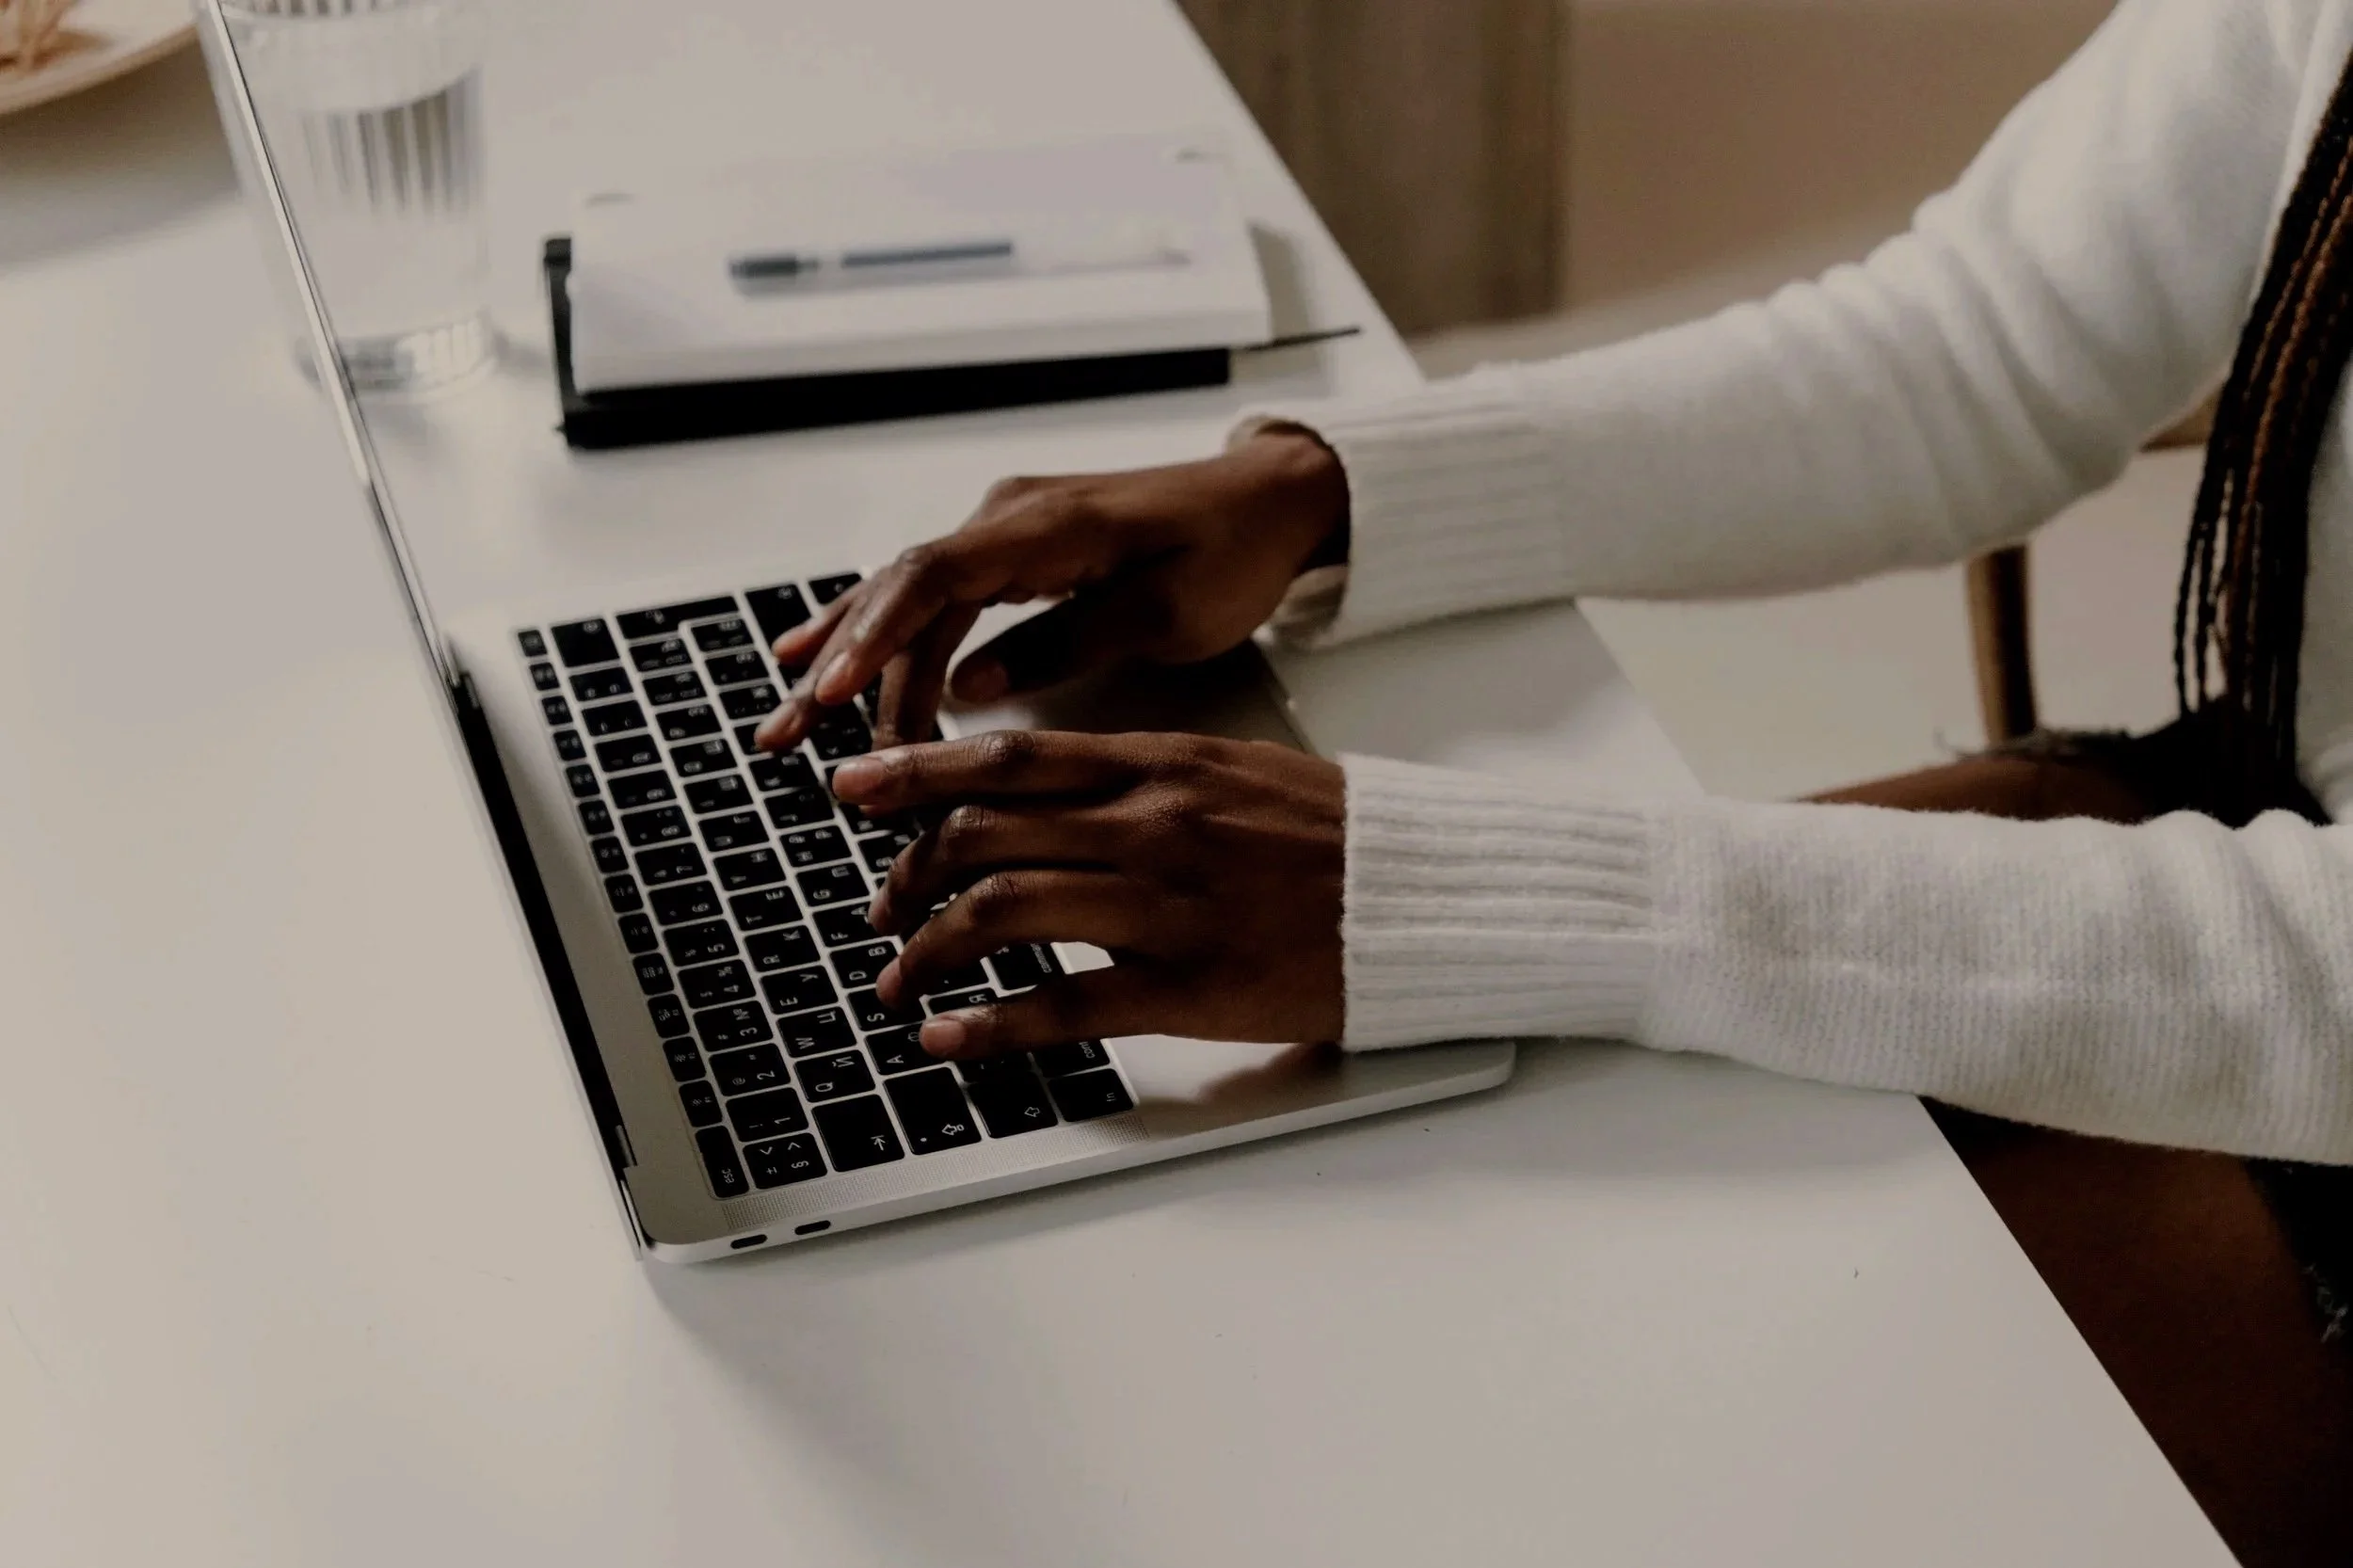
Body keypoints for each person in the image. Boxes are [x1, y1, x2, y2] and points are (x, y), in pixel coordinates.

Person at [757, 4, 2353, 1558]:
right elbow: (1991, 342)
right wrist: (1327, 491)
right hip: (2264, 811)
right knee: (1375, 1265)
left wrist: (1472, 890)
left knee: (1565, 1441)